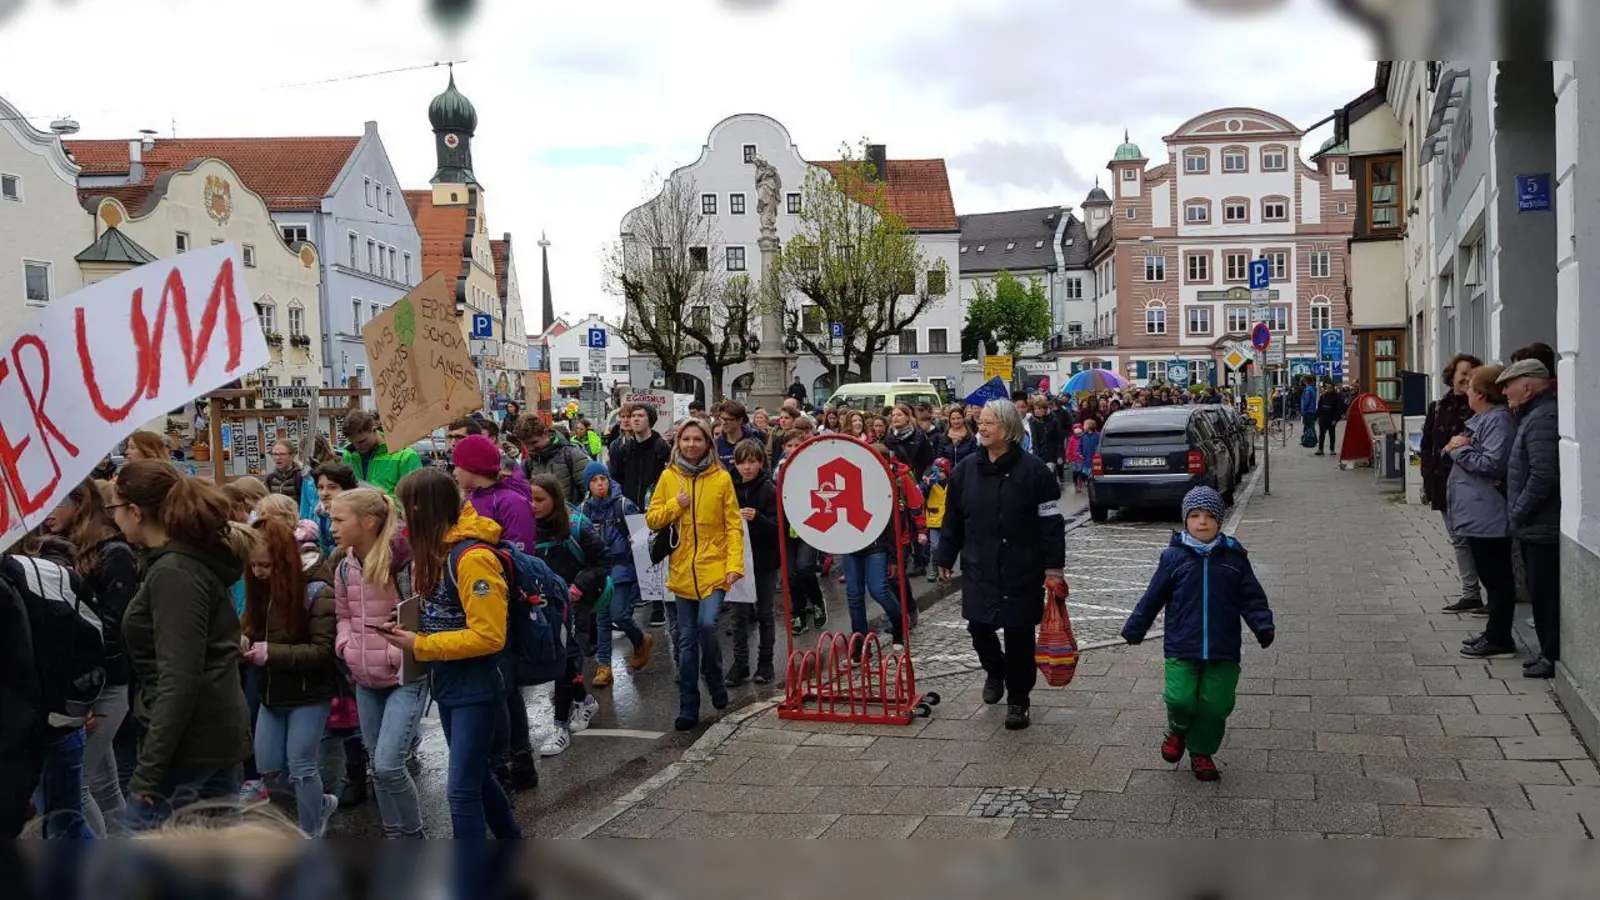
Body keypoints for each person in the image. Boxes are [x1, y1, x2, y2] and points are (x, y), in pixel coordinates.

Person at [374, 468, 522, 839]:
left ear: (425, 509)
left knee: (460, 791)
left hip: (478, 686)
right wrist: (410, 623)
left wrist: (419, 645)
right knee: (477, 779)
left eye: (407, 509)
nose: (403, 519)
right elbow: (446, 615)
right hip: (450, 683)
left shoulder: (471, 559)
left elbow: (490, 637)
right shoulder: (438, 554)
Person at [110, 461, 252, 831]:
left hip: (188, 745)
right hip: (209, 734)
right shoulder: (178, 563)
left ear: (135, 512)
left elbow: (179, 677)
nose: (114, 519)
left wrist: (149, 771)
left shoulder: (175, 572)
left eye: (114, 509)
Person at [1121, 486, 1274, 782]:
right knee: (1181, 699)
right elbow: (1152, 597)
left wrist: (1262, 624)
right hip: (1182, 644)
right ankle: (1179, 730)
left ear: (1219, 521)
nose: (1202, 522)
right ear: (1185, 520)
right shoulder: (1173, 558)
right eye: (1194, 516)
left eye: (1208, 516)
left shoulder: (1234, 558)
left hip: (1223, 647)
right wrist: (1135, 628)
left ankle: (1202, 752)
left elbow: (1252, 597)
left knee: (1217, 705)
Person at [934, 399, 1065, 732]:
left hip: (1022, 567)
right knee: (978, 626)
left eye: (989, 422)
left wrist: (1054, 569)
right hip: (979, 565)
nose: (982, 427)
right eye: (981, 421)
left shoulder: (1035, 472)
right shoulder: (965, 470)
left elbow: (1051, 524)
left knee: (1019, 635)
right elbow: (953, 520)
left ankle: (1019, 699)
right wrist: (945, 557)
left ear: (1007, 429)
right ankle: (995, 669)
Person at [329, 488, 428, 838]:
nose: (333, 527)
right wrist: (346, 645)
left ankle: (414, 836)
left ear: (368, 522)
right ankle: (393, 835)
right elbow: (342, 614)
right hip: (364, 678)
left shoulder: (404, 561)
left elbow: (421, 615)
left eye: (340, 519)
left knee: (388, 765)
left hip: (404, 678)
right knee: (376, 765)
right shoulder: (343, 566)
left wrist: (395, 650)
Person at [43, 478, 140, 832]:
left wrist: (84, 694)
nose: (46, 512)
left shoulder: (114, 552)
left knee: (75, 789)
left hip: (102, 683)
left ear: (80, 503)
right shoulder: (62, 546)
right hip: (83, 681)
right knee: (102, 785)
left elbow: (112, 628)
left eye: (54, 502)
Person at [239, 518, 339, 837]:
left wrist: (271, 653)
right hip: (272, 692)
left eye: (265, 565)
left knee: (302, 768)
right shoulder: (260, 590)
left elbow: (323, 651)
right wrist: (243, 640)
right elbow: (253, 629)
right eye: (252, 565)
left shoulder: (316, 590)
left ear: (282, 560)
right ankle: (320, 803)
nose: (258, 572)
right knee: (269, 770)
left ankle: (309, 834)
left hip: (309, 693)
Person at [645, 418, 744, 731]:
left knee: (706, 625)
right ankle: (689, 706)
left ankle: (715, 680)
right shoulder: (668, 477)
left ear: (707, 444)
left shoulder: (722, 479)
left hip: (714, 569)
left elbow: (733, 526)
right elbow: (652, 519)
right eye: (685, 439)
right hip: (682, 572)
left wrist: (734, 566)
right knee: (685, 644)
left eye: (697, 439)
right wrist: (676, 504)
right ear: (679, 443)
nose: (691, 445)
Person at [1442, 366, 1520, 660]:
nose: (1466, 390)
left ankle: (1500, 638)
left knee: (1497, 577)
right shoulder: (1483, 419)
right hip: (1478, 512)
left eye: (1470, 386)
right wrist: (1455, 446)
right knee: (1490, 575)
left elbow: (1492, 464)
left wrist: (1458, 450)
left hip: (1489, 512)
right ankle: (1494, 631)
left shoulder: (1497, 421)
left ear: (1482, 393)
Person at [528, 475, 608, 757]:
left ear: (555, 499)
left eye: (540, 500)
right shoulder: (525, 527)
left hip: (574, 603)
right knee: (560, 661)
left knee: (565, 659)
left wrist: (577, 586)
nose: (533, 505)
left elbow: (602, 562)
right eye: (530, 499)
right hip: (542, 606)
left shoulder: (577, 525)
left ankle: (559, 726)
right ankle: (585, 701)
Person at [1497, 358, 1562, 679]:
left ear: (1527, 386)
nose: (1505, 391)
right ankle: (1546, 652)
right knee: (1540, 593)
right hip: (1537, 525)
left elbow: (1544, 475)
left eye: (1508, 384)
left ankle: (1552, 655)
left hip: (1542, 525)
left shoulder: (1542, 419)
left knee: (1546, 594)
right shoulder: (1535, 415)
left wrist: (1518, 513)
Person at [580, 462, 655, 689]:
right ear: (588, 485)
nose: (600, 484)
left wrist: (637, 541)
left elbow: (643, 532)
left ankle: (640, 639)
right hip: (599, 571)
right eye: (594, 480)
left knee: (619, 615)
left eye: (603, 479)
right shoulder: (585, 509)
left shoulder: (623, 505)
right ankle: (604, 667)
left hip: (622, 567)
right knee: (602, 619)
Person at [728, 440, 779, 686]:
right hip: (738, 559)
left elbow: (780, 528)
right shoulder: (730, 487)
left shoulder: (769, 488)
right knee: (738, 614)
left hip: (765, 560)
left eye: (752, 462)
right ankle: (740, 663)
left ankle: (765, 663)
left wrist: (758, 518)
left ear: (760, 462)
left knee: (765, 612)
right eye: (742, 462)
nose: (747, 467)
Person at [779, 431, 828, 636]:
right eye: (789, 445)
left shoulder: (813, 468)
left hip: (810, 525)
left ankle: (817, 602)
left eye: (796, 445)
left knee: (805, 568)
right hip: (787, 527)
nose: (792, 449)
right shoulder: (780, 470)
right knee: (790, 574)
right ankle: (797, 612)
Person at [339, 410, 423, 496]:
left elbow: (415, 497)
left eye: (362, 441)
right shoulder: (349, 454)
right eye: (353, 442)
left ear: (374, 430)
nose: (357, 446)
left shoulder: (405, 455)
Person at [515, 414, 591, 504]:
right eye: (526, 445)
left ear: (545, 433)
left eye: (534, 442)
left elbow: (590, 492)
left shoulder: (572, 455)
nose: (530, 448)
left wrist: (576, 514)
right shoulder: (528, 463)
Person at [309, 463, 358, 557]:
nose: (324, 493)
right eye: (320, 487)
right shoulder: (318, 512)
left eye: (332, 487)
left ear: (347, 489)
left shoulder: (355, 516)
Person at [921, 458, 951, 583]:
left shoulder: (953, 482)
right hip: (934, 521)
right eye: (937, 471)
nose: (939, 474)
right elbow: (921, 490)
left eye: (941, 471)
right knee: (935, 546)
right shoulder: (931, 483)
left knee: (947, 546)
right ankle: (934, 568)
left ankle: (946, 568)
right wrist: (927, 484)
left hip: (948, 520)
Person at [714, 401, 760, 470]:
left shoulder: (755, 443)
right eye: (722, 419)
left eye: (728, 419)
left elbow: (764, 471)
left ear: (740, 420)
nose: (723, 423)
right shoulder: (716, 445)